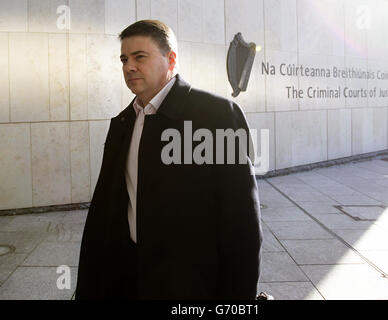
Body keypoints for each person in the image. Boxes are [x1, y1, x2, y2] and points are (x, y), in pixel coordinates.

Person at [75, 19, 262, 300]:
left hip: (192, 285)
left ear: (170, 59)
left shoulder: (217, 115)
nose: (129, 67)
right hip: (128, 279)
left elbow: (243, 225)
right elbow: (105, 212)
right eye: (124, 59)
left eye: (140, 57)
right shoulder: (122, 123)